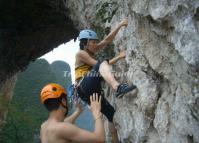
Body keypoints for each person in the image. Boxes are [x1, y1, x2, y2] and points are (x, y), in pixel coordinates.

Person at [75, 18, 137, 143]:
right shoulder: (81, 54)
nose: (95, 44)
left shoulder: (90, 50)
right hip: (84, 85)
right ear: (85, 43)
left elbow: (107, 40)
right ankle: (118, 87)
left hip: (89, 92)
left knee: (111, 114)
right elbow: (99, 64)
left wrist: (120, 25)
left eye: (95, 42)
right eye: (93, 42)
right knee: (101, 62)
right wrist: (117, 57)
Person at [40, 83, 105, 143]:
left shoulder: (44, 127)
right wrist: (96, 113)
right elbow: (100, 139)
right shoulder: (62, 128)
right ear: (63, 101)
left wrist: (78, 111)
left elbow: (64, 123)